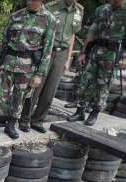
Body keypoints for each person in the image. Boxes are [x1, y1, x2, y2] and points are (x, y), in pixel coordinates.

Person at [0, 0, 55, 139]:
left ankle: (11, 124)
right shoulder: (16, 16)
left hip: (28, 66)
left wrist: (39, 74)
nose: (29, 2)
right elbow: (4, 42)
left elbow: (47, 49)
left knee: (20, 96)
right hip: (8, 62)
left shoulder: (48, 19)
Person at [67, 0, 126, 126]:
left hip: (112, 54)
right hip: (95, 51)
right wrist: (84, 52)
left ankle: (94, 113)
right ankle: (80, 111)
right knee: (85, 81)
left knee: (103, 84)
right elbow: (92, 31)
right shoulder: (101, 9)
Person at [19, 0, 83, 133]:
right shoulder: (51, 7)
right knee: (35, 87)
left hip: (62, 54)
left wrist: (68, 58)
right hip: (45, 51)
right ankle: (24, 119)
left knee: (50, 91)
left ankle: (38, 120)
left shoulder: (79, 10)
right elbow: (38, 29)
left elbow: (72, 35)